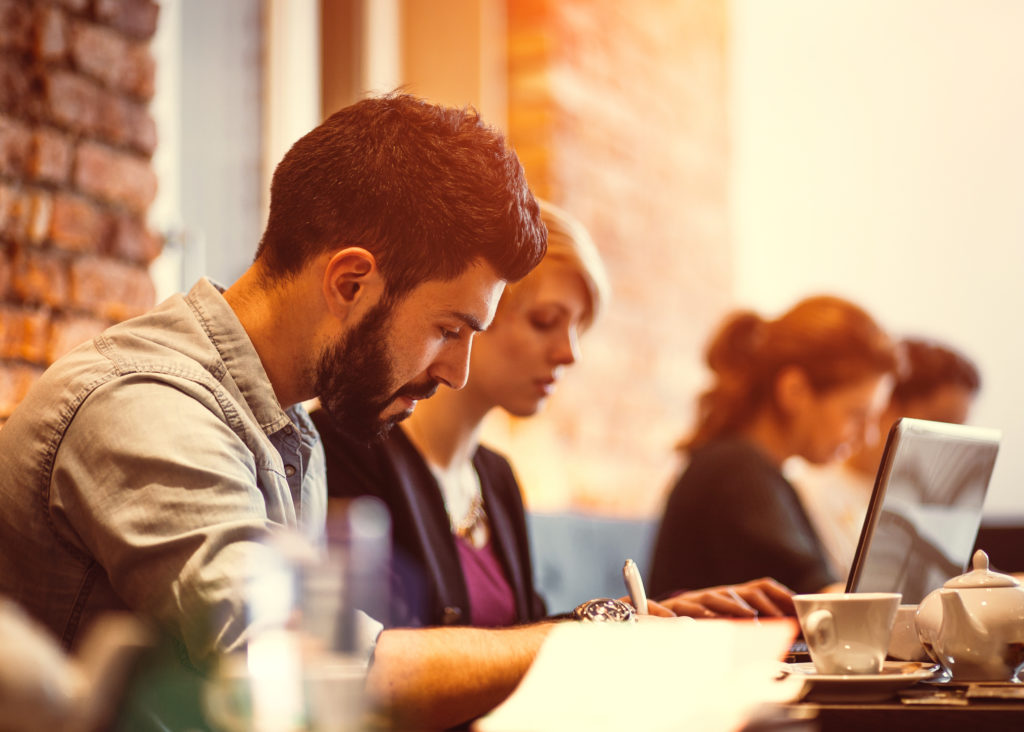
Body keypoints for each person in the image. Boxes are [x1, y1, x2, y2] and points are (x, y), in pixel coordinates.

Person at [0, 92, 554, 729]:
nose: (456, 373)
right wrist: (586, 647)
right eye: (449, 329)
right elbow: (302, 677)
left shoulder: (292, 434)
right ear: (350, 282)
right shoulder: (146, 408)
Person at [312, 200, 796, 628]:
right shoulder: (350, 447)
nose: (570, 354)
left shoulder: (495, 478)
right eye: (546, 322)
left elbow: (521, 641)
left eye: (579, 329)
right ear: (479, 309)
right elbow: (386, 669)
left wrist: (655, 616)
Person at [648, 295, 900, 598]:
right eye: (857, 414)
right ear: (794, 390)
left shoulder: (754, 469)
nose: (869, 436)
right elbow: (821, 602)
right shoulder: (737, 472)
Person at [789, 337, 982, 581]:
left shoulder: (926, 500)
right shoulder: (806, 488)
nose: (951, 445)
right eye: (940, 422)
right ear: (887, 405)